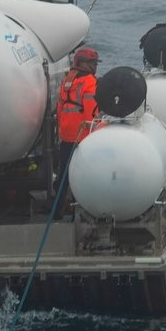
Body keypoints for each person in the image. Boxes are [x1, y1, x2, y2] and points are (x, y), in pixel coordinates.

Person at [55, 46, 100, 211]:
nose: (95, 66)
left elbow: (60, 108)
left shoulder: (67, 80)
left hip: (66, 135)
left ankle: (58, 208)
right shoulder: (90, 82)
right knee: (82, 175)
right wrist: (95, 133)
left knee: (63, 176)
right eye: (92, 63)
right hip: (83, 136)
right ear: (81, 63)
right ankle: (80, 209)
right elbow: (92, 112)